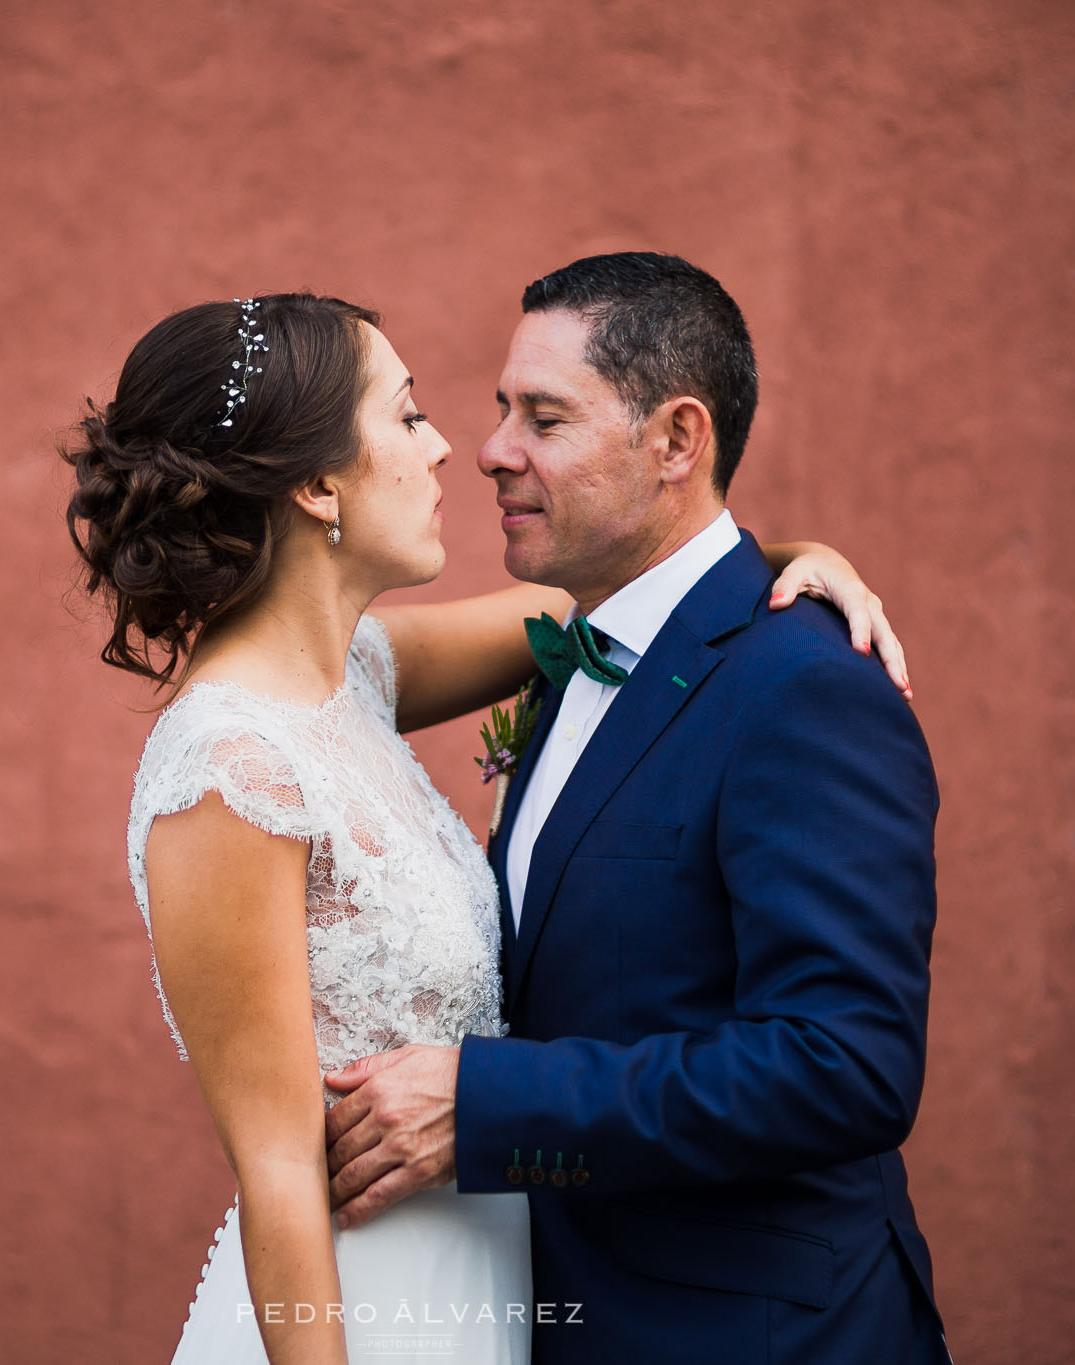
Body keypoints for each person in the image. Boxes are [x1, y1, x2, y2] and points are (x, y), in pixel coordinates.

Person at [65, 290, 910, 1364]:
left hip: (502, 1286)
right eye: (408, 416)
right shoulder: (229, 768)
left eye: (536, 418)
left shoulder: (356, 675)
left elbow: (634, 599)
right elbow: (279, 1173)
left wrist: (801, 554)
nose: (454, 452)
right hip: (371, 1302)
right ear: (318, 485)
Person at [319, 254, 949, 1364]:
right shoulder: (572, 652)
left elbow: (843, 1066)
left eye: (544, 418)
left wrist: (486, 1104)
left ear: (675, 442)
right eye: (501, 408)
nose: (490, 449)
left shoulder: (805, 687)